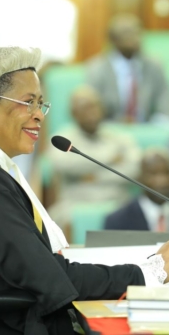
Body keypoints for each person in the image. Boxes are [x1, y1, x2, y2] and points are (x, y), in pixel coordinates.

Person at [0, 47, 169, 334]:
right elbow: (48, 277)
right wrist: (151, 271)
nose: (39, 116)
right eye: (28, 103)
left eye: (40, 104)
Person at [47, 85, 141, 231]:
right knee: (53, 221)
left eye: (95, 107)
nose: (91, 113)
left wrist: (94, 177)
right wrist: (110, 159)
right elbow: (62, 164)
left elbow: (134, 168)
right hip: (76, 204)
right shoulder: (63, 139)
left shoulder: (121, 137)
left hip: (117, 202)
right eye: (85, 108)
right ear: (73, 113)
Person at [86, 14, 169, 123]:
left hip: (147, 127)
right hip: (111, 128)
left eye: (137, 32)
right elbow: (91, 111)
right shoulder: (97, 68)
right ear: (113, 39)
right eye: (127, 33)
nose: (135, 37)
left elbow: (168, 106)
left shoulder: (154, 66)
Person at [104, 148, 169, 233]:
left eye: (167, 172)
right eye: (153, 174)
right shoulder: (118, 221)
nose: (162, 181)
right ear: (140, 178)